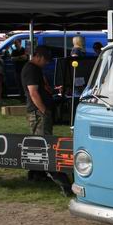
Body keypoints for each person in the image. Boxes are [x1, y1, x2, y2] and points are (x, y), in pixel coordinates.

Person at [20, 46, 71, 195]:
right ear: (39, 57)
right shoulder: (31, 69)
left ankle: (37, 174)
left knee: (38, 143)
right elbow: (33, 92)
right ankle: (58, 179)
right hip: (38, 112)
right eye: (46, 60)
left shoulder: (34, 69)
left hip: (39, 111)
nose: (47, 63)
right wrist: (43, 110)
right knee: (44, 144)